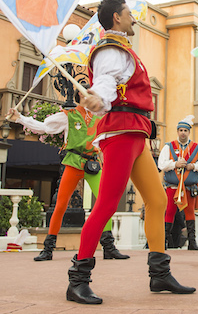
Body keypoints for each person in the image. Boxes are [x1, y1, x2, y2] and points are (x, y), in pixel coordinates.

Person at [67, 0, 195, 304]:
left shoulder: (123, 49)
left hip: (136, 134)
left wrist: (101, 96)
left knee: (155, 199)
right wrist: (98, 98)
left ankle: (160, 274)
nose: (134, 18)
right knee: (108, 204)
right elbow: (107, 83)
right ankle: (77, 280)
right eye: (129, 14)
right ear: (116, 19)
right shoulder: (111, 50)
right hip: (121, 133)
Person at [7, 100, 128, 262]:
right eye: (86, 96)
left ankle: (108, 247)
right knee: (60, 204)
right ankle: (48, 248)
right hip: (73, 162)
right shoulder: (68, 116)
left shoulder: (100, 118)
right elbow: (44, 127)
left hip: (92, 164)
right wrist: (19, 118)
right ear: (80, 98)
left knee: (105, 203)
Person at [158, 115, 198, 250]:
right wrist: (175, 164)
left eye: (185, 130)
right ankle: (164, 241)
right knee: (169, 211)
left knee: (190, 212)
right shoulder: (168, 147)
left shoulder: (196, 148)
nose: (183, 133)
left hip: (189, 187)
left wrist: (193, 166)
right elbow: (161, 164)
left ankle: (192, 242)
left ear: (189, 132)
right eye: (180, 130)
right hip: (172, 186)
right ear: (177, 131)